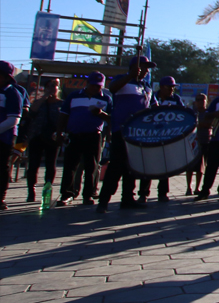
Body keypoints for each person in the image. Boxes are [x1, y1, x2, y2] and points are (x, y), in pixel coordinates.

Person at [97, 54, 155, 213]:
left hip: (139, 133)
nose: (146, 71)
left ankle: (128, 198)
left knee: (132, 167)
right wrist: (130, 75)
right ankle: (104, 201)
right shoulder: (122, 79)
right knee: (116, 167)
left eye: (148, 69)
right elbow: (113, 88)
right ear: (135, 67)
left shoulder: (146, 86)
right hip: (121, 130)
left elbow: (152, 106)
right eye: (144, 67)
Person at [58, 72, 112, 206]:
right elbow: (64, 115)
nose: (96, 88)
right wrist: (60, 132)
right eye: (93, 85)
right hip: (74, 135)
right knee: (70, 166)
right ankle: (67, 194)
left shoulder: (106, 99)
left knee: (91, 166)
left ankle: (88, 195)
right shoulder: (74, 96)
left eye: (99, 86)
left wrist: (100, 114)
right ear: (87, 84)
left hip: (94, 135)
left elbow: (112, 118)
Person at [143, 76, 186, 203]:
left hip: (167, 136)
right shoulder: (152, 97)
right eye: (169, 87)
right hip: (151, 136)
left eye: (173, 87)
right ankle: (143, 193)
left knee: (165, 165)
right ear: (161, 87)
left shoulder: (176, 99)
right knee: (148, 165)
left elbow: (182, 114)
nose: (172, 90)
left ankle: (163, 193)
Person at [24, 77, 63, 203]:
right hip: (37, 136)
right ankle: (31, 191)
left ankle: (47, 190)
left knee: (50, 165)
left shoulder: (61, 104)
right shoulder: (39, 102)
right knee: (33, 165)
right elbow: (32, 112)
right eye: (49, 86)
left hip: (52, 138)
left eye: (55, 85)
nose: (52, 88)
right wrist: (44, 97)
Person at [0, 61, 25, 210]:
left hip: (4, 138)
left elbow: (14, 119)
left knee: (2, 168)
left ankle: (0, 198)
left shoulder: (12, 93)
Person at [189, 93, 211, 195]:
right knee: (190, 166)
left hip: (204, 140)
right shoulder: (192, 113)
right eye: (198, 99)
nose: (200, 101)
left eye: (202, 99)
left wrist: (197, 124)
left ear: (206, 101)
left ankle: (197, 187)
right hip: (192, 142)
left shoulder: (208, 113)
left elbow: (209, 124)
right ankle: (188, 187)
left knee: (201, 166)